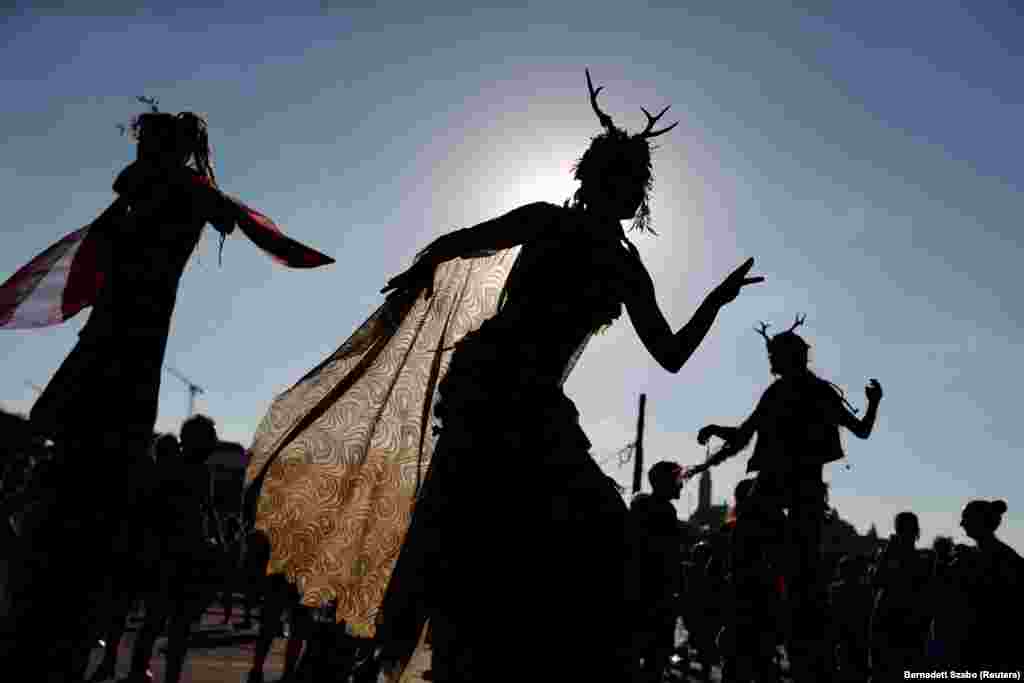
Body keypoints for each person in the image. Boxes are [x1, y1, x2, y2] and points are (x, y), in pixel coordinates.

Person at [244, 69, 763, 683]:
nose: (619, 189)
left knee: (592, 521)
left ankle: (511, 644)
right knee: (459, 513)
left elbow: (670, 353)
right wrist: (417, 276)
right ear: (593, 179)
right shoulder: (548, 220)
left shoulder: (627, 268)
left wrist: (717, 301)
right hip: (490, 385)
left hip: (536, 400)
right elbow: (466, 239)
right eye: (611, 175)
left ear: (637, 194)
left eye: (629, 180)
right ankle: (383, 647)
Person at [690, 316, 883, 682]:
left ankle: (790, 627)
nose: (770, 364)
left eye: (773, 356)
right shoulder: (790, 393)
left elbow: (859, 430)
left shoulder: (799, 393)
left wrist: (873, 404)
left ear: (787, 357)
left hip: (790, 489)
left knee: (794, 571)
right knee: (781, 564)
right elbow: (745, 434)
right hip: (791, 491)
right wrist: (716, 430)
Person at [121, 414, 226, 683]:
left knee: (166, 623)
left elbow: (208, 511)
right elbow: (203, 512)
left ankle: (149, 673)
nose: (214, 442)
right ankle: (150, 673)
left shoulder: (192, 469)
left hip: (179, 556)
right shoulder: (179, 469)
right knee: (166, 622)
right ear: (196, 440)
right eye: (210, 437)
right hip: (172, 556)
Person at [950, 499, 1023, 670]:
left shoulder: (1001, 558)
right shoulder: (1003, 555)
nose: (961, 524)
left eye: (965, 518)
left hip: (991, 646)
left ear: (979, 522)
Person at [630, 461, 685, 683]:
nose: (681, 486)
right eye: (677, 481)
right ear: (666, 483)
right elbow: (669, 558)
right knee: (655, 659)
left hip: (639, 593)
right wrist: (678, 590)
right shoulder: (664, 511)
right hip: (657, 596)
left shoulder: (642, 508)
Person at [868, 511, 931, 680]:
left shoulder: (893, 553)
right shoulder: (905, 555)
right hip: (900, 620)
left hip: (893, 618)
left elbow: (876, 580)